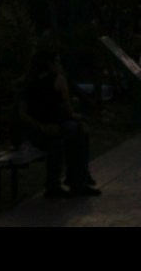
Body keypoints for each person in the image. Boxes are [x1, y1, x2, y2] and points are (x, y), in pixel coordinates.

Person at [20, 49, 100, 198]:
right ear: (50, 64)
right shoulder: (58, 79)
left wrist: (40, 126)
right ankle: (78, 180)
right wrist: (78, 117)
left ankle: (68, 181)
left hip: (32, 131)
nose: (59, 64)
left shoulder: (27, 81)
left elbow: (22, 113)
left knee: (72, 132)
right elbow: (68, 111)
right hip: (47, 129)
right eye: (57, 61)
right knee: (78, 131)